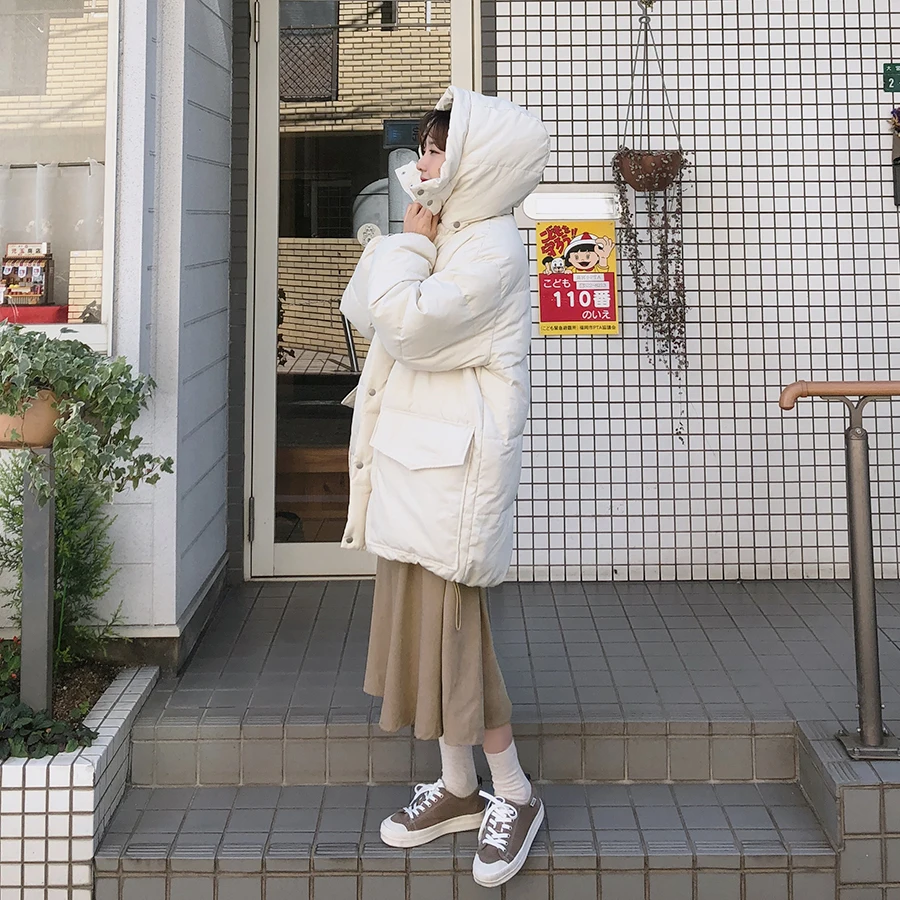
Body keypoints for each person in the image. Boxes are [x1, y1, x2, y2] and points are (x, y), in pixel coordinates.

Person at [339, 86, 550, 889]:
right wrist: (412, 245)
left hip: (452, 477)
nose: (423, 162)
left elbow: (409, 323)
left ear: (474, 161)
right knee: (424, 635)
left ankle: (515, 794)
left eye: (437, 149)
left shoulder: (490, 249)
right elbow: (370, 312)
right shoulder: (450, 235)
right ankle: (460, 788)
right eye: (425, 147)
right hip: (418, 466)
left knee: (457, 643)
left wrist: (406, 244)